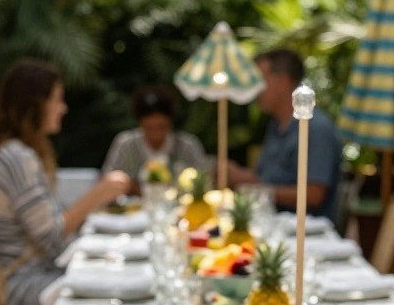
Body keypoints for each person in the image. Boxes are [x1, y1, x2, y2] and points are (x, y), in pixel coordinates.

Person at [0, 59, 130, 305]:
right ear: (35, 104)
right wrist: (99, 193)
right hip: (19, 285)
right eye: (57, 99)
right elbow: (52, 238)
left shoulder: (18, 154)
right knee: (115, 291)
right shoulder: (16, 158)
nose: (63, 108)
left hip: (33, 275)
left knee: (114, 277)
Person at [226, 48, 342, 222]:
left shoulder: (315, 128)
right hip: (270, 223)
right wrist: (241, 176)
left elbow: (313, 195)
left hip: (305, 235)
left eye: (259, 80)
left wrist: (252, 188)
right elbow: (265, 178)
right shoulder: (275, 125)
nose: (254, 88)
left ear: (283, 81)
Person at [102, 85, 206, 191]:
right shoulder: (126, 144)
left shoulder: (187, 146)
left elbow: (202, 182)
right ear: (140, 123)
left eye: (161, 127)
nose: (156, 133)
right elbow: (107, 182)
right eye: (150, 128)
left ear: (170, 122)